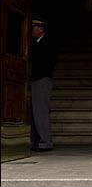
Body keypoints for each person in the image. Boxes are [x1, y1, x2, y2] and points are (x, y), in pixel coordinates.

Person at [30, 16, 58, 152]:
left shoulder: (47, 43)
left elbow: (47, 63)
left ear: (40, 29)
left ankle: (45, 142)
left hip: (41, 79)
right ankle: (36, 141)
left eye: (33, 28)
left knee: (41, 111)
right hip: (36, 79)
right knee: (35, 111)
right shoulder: (35, 43)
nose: (31, 30)